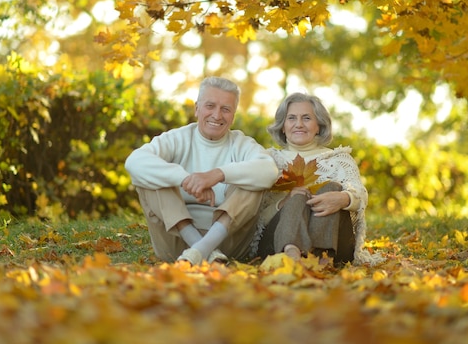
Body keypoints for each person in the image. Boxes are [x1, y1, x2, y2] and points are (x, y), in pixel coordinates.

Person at [125, 76, 279, 265]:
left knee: (252, 180)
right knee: (151, 178)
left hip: (228, 243)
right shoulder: (177, 139)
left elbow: (269, 170)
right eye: (210, 106)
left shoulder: (241, 144)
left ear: (233, 115)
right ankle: (202, 248)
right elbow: (134, 162)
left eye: (226, 109)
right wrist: (185, 179)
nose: (217, 115)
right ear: (197, 109)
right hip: (175, 242)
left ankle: (201, 249)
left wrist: (216, 175)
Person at [252, 92, 379, 265]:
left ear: (318, 125)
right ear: (282, 126)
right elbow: (255, 217)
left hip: (335, 244)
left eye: (306, 118)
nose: (299, 124)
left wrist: (343, 199)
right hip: (276, 244)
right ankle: (292, 254)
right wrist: (286, 203)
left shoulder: (339, 160)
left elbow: (361, 195)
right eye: (291, 118)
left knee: (333, 188)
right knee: (298, 196)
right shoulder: (267, 160)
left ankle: (321, 258)